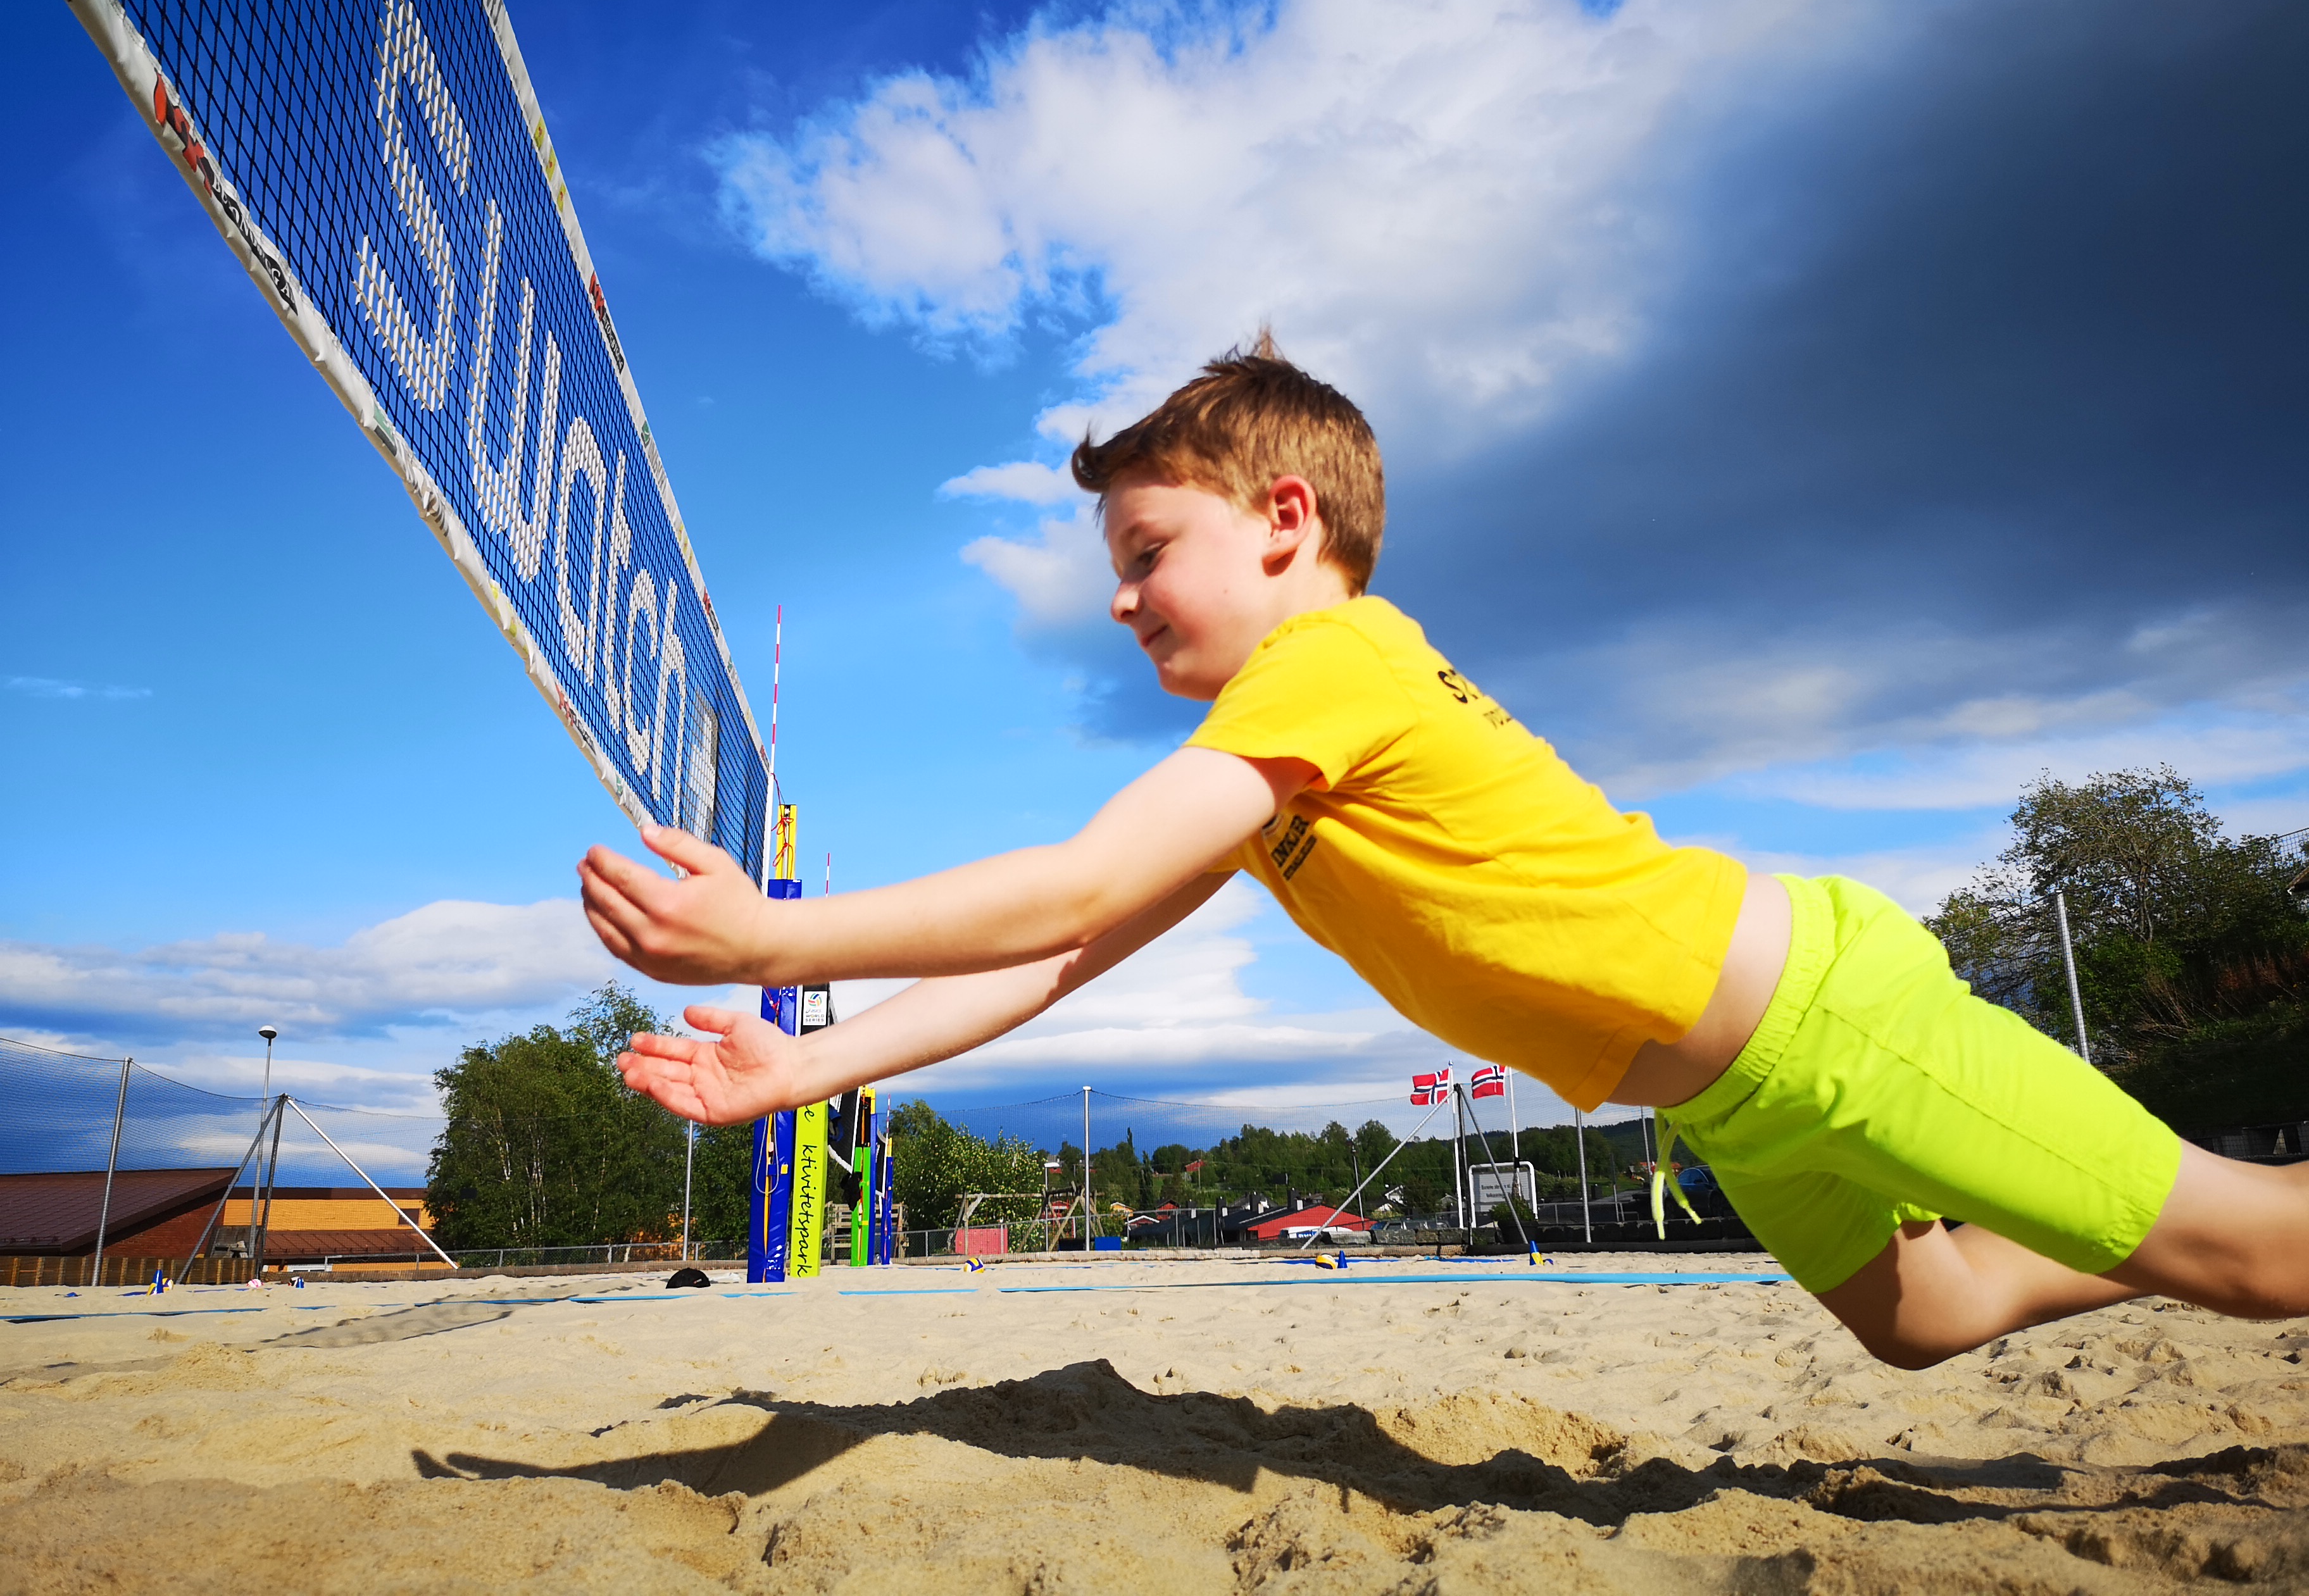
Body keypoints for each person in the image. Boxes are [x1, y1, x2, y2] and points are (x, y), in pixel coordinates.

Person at [585, 336, 2307, 1369]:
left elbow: (1078, 881)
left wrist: (773, 945)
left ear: (1285, 524)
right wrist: (790, 1081)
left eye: (1145, 549)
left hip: (1824, 1017)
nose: (1115, 598)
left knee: (2252, 1266)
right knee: (1926, 1321)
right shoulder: (1272, 775)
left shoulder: (1325, 664)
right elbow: (1055, 961)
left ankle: (2218, 1228)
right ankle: (2175, 1228)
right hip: (1730, 1096)